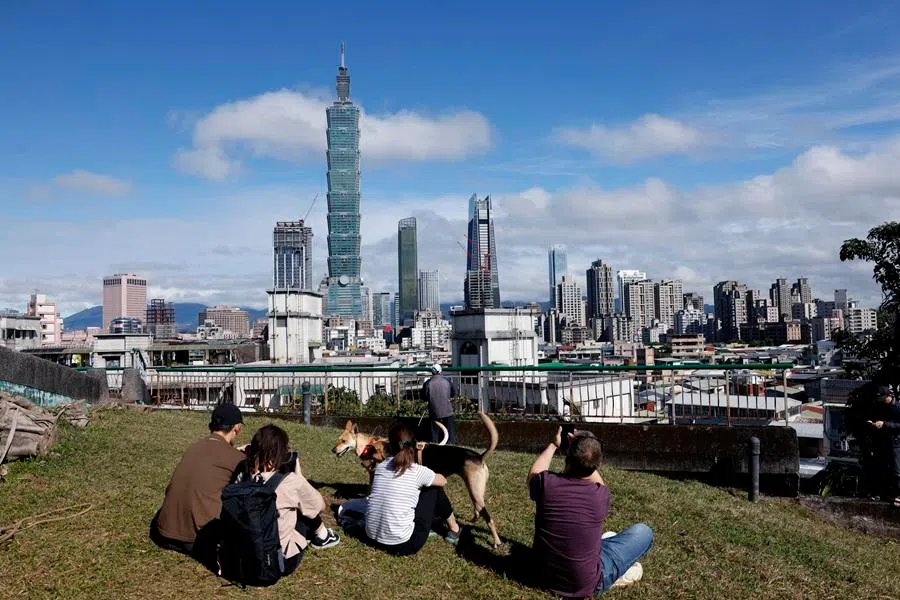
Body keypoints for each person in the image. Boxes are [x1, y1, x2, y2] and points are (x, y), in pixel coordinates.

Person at [528, 427, 653, 597]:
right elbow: (597, 478)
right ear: (596, 465)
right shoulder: (599, 495)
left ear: (569, 458)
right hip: (586, 583)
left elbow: (534, 474)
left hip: (541, 576)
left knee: (605, 539)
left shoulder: (546, 484)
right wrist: (585, 453)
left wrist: (553, 444)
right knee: (644, 532)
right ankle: (620, 575)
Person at [149, 403, 245, 567]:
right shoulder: (236, 458)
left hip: (163, 533)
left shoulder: (195, 447)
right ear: (236, 427)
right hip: (195, 539)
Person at [237, 424, 340, 575]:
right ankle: (324, 537)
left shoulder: (242, 475)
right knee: (303, 509)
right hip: (277, 561)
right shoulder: (290, 482)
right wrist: (300, 477)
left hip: (245, 558)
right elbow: (318, 505)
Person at [363, 422, 461, 555]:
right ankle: (454, 530)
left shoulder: (380, 467)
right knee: (433, 487)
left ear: (390, 446)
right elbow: (443, 481)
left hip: (371, 536)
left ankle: (447, 527)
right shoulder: (417, 471)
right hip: (404, 545)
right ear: (415, 444)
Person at [867, 384, 900, 507]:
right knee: (883, 467)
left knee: (897, 470)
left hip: (897, 442)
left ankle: (898, 495)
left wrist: (885, 424)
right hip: (884, 441)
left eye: (882, 399)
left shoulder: (898, 407)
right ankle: (884, 493)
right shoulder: (881, 407)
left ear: (888, 396)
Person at [422, 364, 457, 443]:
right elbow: (453, 393)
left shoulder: (428, 383)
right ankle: (451, 444)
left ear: (432, 372)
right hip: (447, 411)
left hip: (434, 411)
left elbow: (424, 397)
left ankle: (435, 444)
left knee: (434, 431)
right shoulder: (447, 381)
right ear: (441, 371)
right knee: (450, 431)